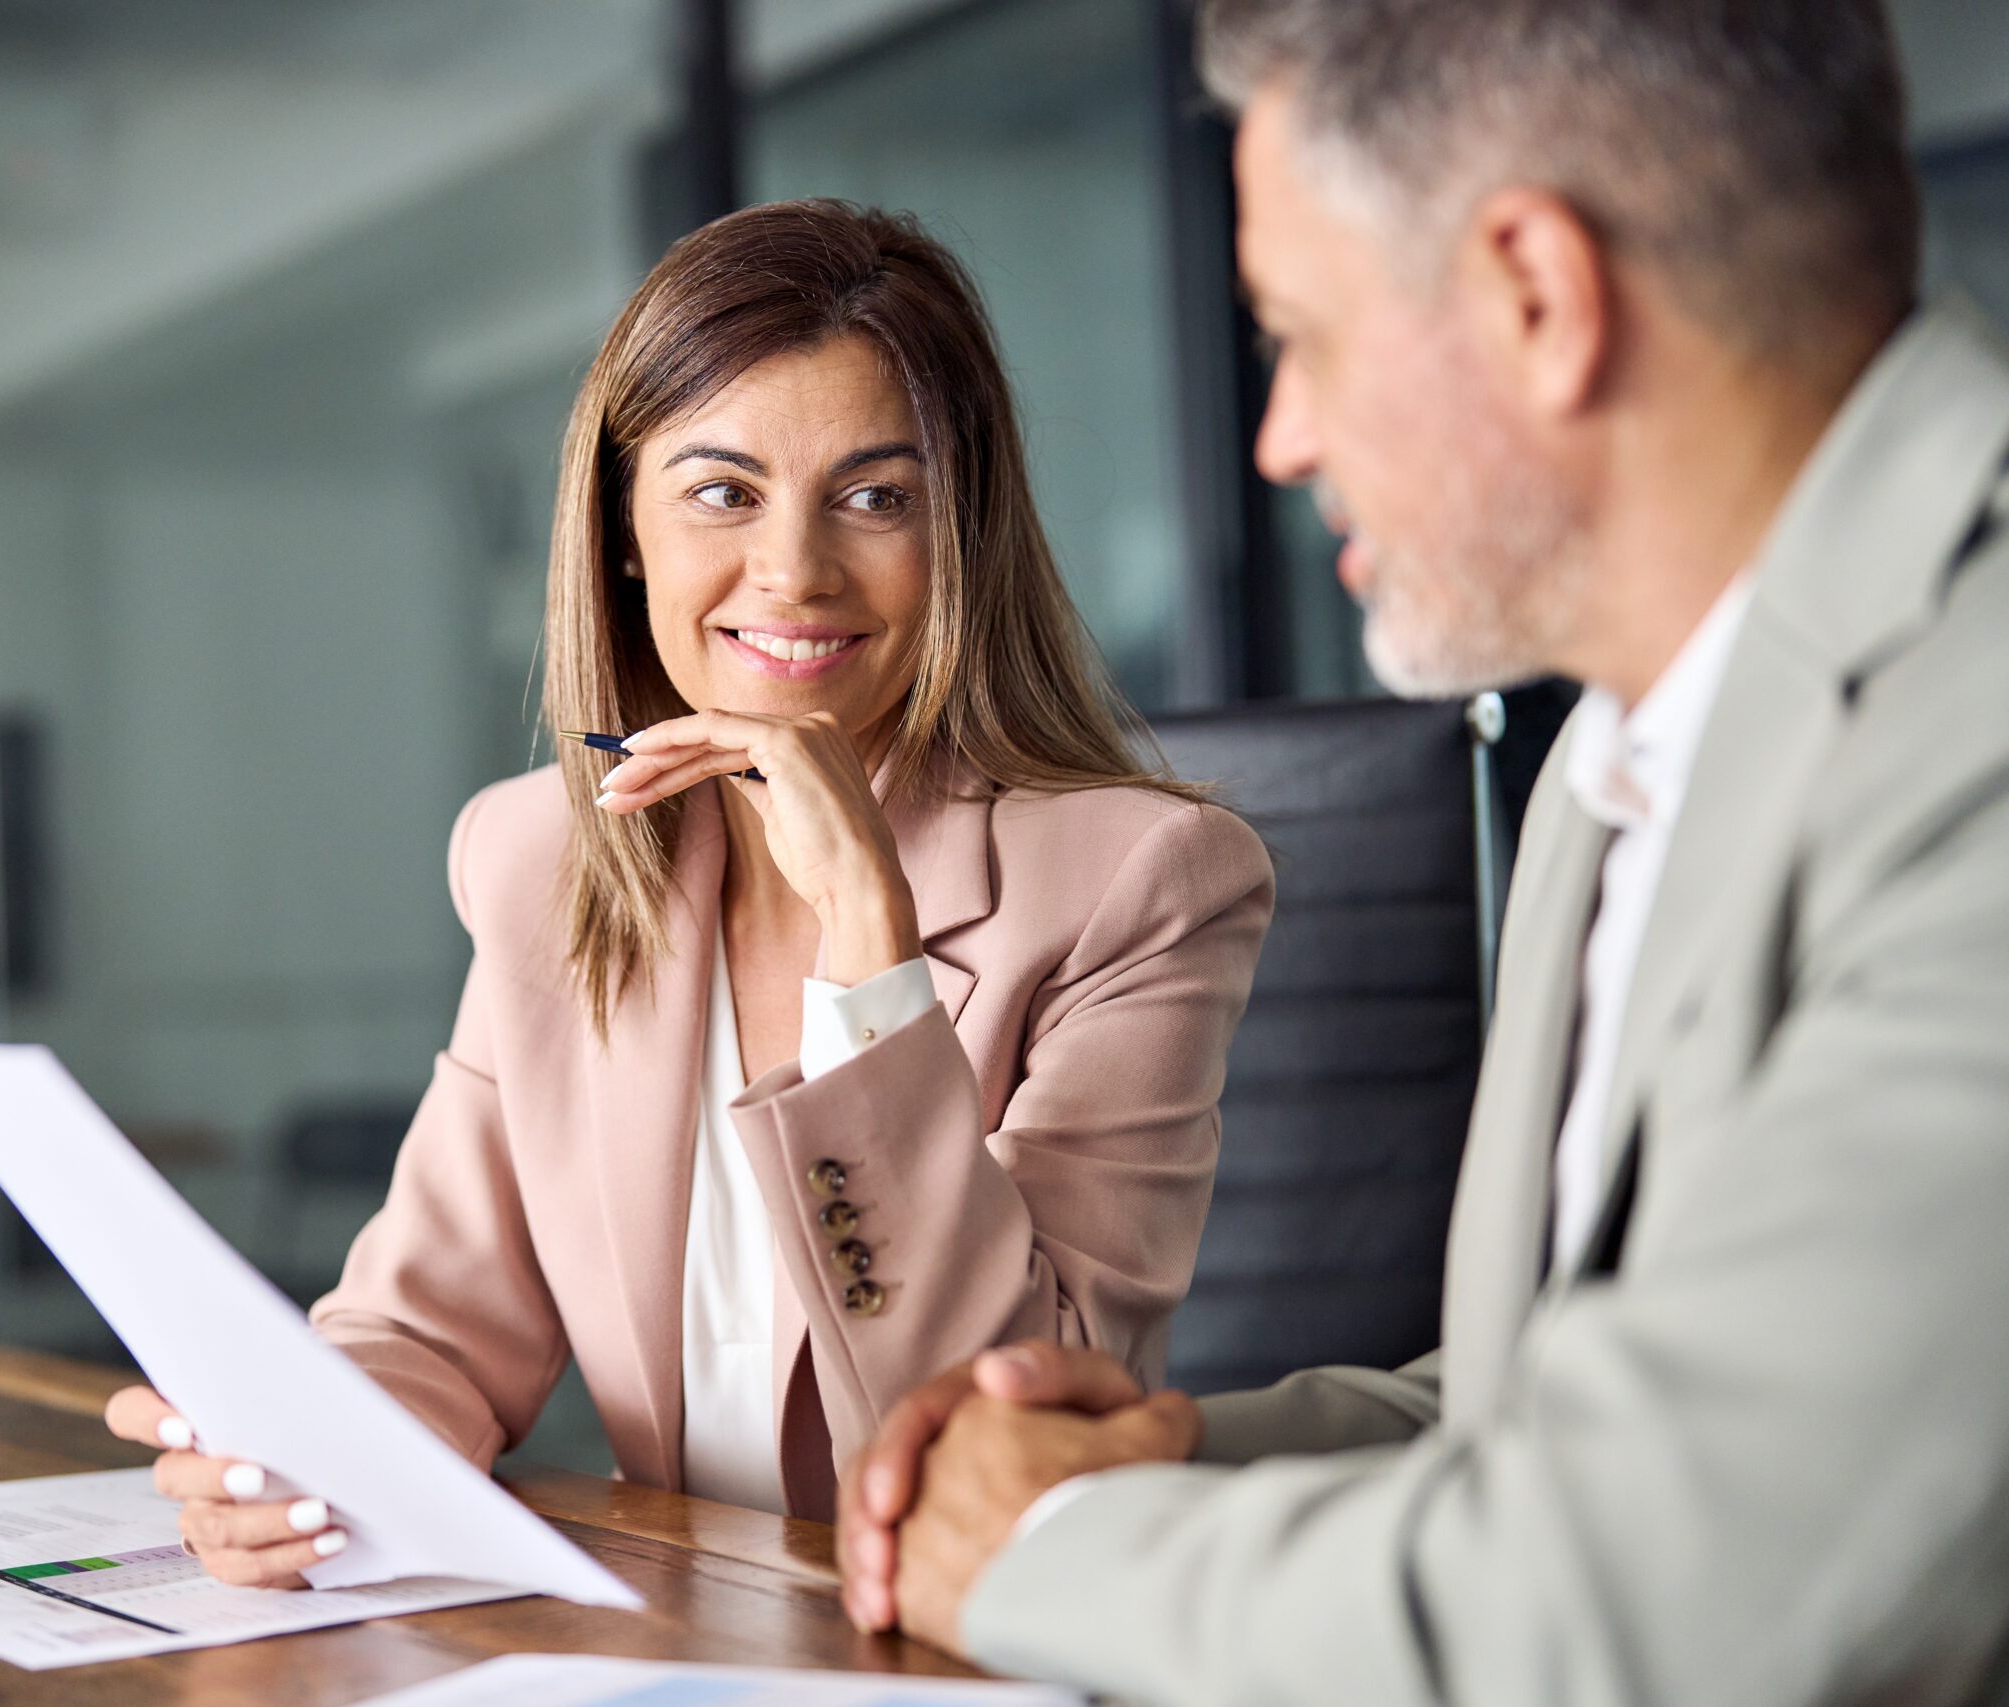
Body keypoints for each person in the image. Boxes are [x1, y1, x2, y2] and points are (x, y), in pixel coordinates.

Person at [836, 2, 2009, 1700]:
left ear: (1539, 296)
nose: (1279, 441)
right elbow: (1541, 1411)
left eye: (1300, 339)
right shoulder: (1622, 756)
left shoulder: (1971, 745)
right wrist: (1162, 1462)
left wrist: (1047, 1553)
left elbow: (1661, 1596)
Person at [105, 199, 1274, 1584]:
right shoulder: (545, 859)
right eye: (723, 492)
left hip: (978, 1640)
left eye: (876, 497)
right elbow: (430, 1329)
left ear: (960, 535)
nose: (793, 571)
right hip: (679, 1634)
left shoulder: (1139, 883)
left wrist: (872, 954)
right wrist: (305, 1453)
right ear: (623, 534)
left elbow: (1016, 1429)